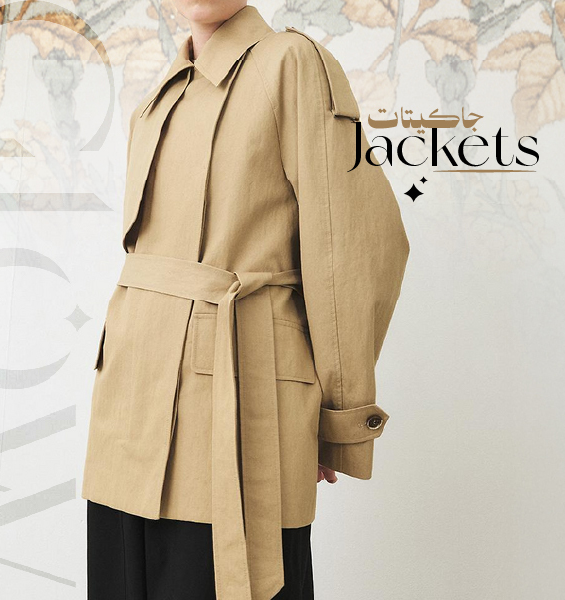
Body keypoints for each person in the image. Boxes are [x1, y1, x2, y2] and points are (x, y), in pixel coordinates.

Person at [81, 2, 410, 600]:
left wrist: (338, 417)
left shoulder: (293, 64)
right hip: (126, 413)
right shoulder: (155, 100)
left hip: (234, 412)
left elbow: (355, 244)